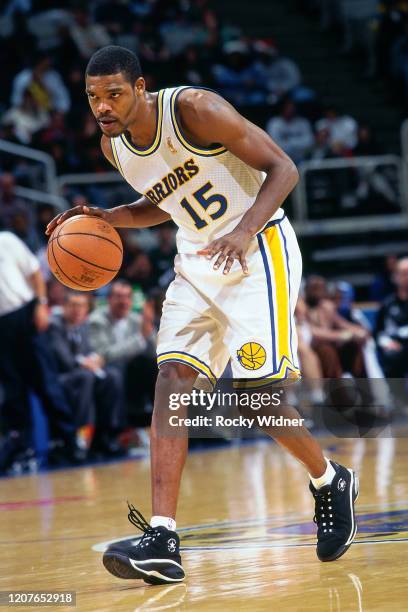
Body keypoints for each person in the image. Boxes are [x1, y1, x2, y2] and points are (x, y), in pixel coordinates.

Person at [47, 46, 359, 585]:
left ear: (141, 87)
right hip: (196, 262)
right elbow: (163, 203)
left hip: (258, 252)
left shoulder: (195, 109)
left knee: (256, 400)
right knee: (171, 380)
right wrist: (108, 219)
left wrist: (243, 232)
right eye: (93, 97)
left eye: (114, 93)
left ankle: (330, 479)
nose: (103, 106)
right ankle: (164, 536)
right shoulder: (113, 146)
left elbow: (284, 168)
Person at [0, 231, 79, 472]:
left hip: (25, 314)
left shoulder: (6, 239)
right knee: (13, 391)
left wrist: (41, 305)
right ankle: (23, 449)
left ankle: (68, 442)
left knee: (47, 383)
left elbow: (34, 272)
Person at [48, 291, 126, 457]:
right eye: (73, 305)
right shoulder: (54, 325)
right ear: (64, 307)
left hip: (83, 374)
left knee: (113, 376)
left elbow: (91, 352)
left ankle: (107, 434)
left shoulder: (84, 326)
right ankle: (79, 439)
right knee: (86, 378)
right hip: (61, 377)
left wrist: (96, 359)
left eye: (82, 306)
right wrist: (85, 363)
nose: (77, 310)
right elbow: (65, 361)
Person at [88, 280, 156, 425]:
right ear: (109, 299)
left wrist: (149, 326)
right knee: (117, 374)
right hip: (109, 371)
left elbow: (156, 352)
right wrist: (140, 338)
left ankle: (163, 421)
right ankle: (116, 430)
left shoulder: (136, 320)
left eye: (127, 297)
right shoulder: (96, 320)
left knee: (157, 367)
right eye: (119, 297)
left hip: (135, 372)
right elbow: (105, 354)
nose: (123, 301)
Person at [376, 257, 408, 377]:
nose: (407, 278)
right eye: (404, 273)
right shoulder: (387, 305)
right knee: (391, 355)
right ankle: (396, 394)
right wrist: (387, 342)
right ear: (395, 277)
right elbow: (379, 333)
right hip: (397, 348)